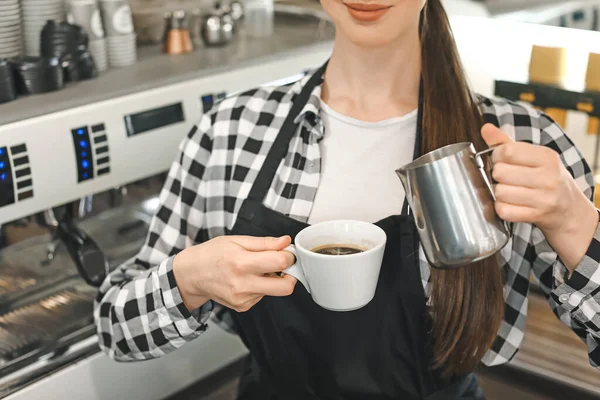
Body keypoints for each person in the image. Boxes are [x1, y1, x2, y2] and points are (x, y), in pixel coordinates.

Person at [94, 0, 600, 398]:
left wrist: (573, 219)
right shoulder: (230, 130)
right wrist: (188, 281)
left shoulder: (518, 139)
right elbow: (115, 329)